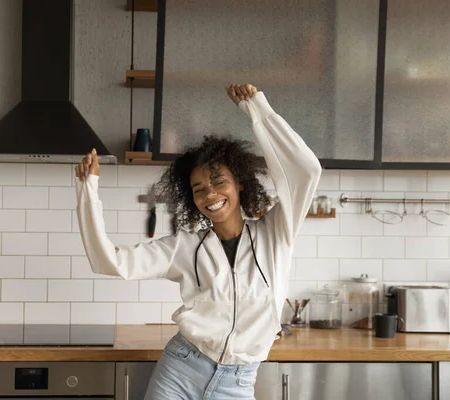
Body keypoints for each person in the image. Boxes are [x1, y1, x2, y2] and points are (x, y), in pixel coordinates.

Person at [75, 84, 322, 399]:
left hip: (238, 382)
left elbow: (306, 171)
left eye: (219, 182)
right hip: (179, 371)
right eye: (199, 189)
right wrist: (88, 190)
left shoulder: (277, 233)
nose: (210, 195)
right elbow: (109, 262)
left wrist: (258, 110)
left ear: (240, 184)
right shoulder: (185, 247)